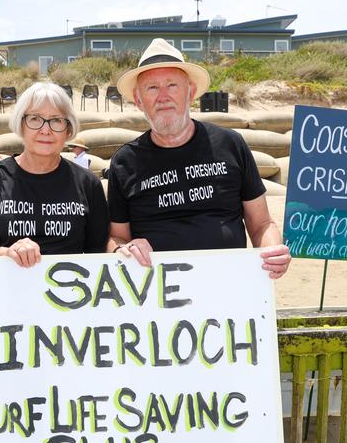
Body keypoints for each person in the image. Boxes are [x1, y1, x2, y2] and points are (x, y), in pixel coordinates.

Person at [108, 37, 291, 280]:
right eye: (152, 88)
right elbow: (116, 236)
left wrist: (272, 251)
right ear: (139, 100)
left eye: (172, 85)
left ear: (191, 92)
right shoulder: (124, 162)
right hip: (157, 292)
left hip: (228, 283)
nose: (163, 96)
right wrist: (123, 249)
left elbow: (262, 225)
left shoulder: (231, 145)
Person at [0, 82, 108, 266]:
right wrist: (6, 253)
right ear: (21, 125)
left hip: (69, 290)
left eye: (56, 120)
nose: (45, 129)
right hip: (5, 291)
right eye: (35, 118)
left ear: (68, 130)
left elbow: (99, 253)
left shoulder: (88, 183)